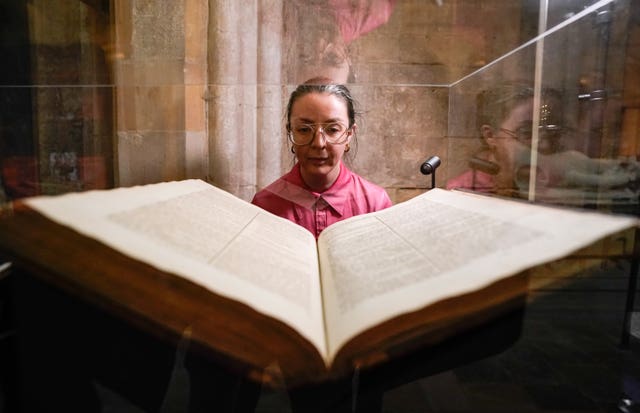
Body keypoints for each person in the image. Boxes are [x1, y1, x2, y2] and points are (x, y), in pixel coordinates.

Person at [252, 77, 392, 239]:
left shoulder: (375, 204)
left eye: (332, 129)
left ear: (349, 134)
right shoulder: (265, 206)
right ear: (290, 131)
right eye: (304, 130)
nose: (318, 144)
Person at [446, 85, 639, 198]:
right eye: (526, 132)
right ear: (490, 136)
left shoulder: (552, 174)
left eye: (551, 132)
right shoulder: (462, 191)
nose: (544, 145)